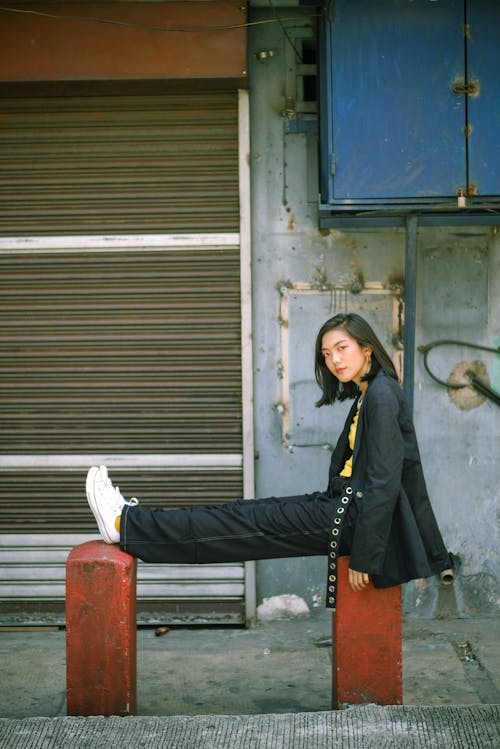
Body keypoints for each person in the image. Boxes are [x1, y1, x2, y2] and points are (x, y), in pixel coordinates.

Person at [86, 312, 452, 609]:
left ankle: (126, 523)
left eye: (342, 348)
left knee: (239, 523)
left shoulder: (382, 395)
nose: (334, 360)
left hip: (351, 517)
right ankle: (131, 522)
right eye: (326, 354)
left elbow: (386, 481)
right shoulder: (369, 394)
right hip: (340, 507)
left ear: (367, 349)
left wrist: (366, 556)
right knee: (244, 516)